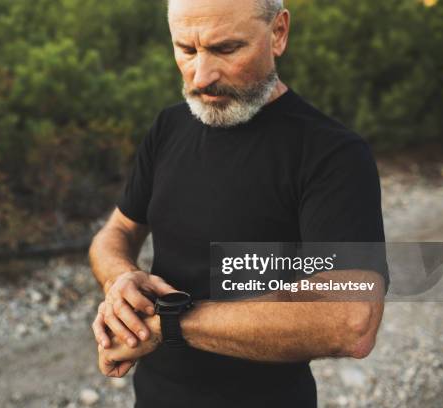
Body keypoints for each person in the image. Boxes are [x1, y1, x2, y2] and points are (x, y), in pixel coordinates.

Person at [89, 0, 388, 406]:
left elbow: (351, 321)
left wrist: (170, 324)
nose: (201, 75)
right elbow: (118, 231)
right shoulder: (169, 126)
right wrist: (120, 281)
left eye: (226, 49)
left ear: (278, 32)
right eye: (187, 50)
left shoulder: (331, 153)